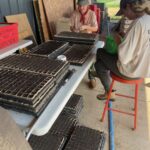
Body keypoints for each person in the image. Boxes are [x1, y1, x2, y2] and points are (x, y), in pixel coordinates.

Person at [94, 0, 150, 100]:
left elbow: (124, 58)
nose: (124, 16)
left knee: (100, 52)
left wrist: (119, 40)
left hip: (131, 71)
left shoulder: (139, 23)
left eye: (124, 12)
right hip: (144, 71)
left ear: (128, 6)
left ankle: (109, 92)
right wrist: (126, 39)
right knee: (100, 65)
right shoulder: (147, 19)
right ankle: (102, 73)